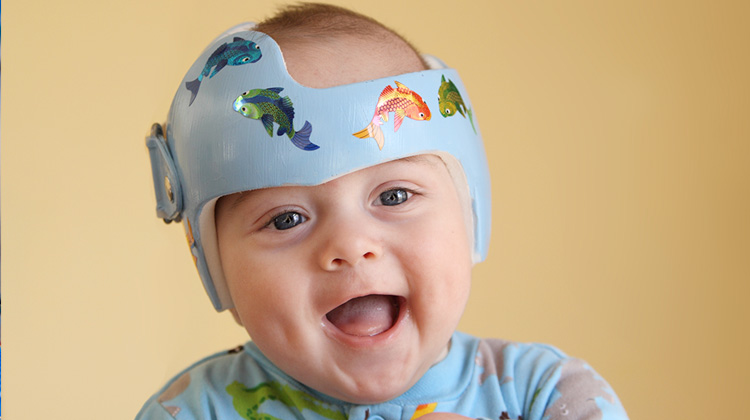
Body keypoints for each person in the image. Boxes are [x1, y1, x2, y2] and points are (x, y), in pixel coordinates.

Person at [139, 4, 629, 420]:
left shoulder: (546, 395)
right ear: (216, 269)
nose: (350, 246)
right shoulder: (190, 411)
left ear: (468, 213)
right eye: (287, 218)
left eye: (394, 196)